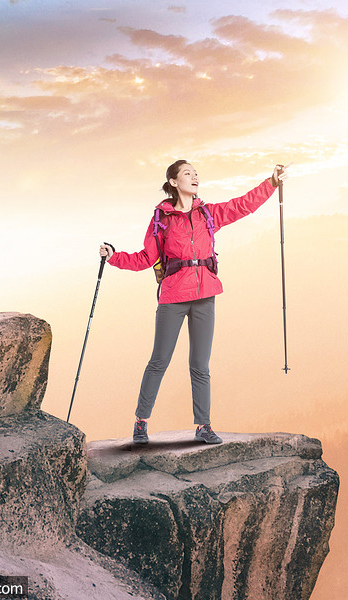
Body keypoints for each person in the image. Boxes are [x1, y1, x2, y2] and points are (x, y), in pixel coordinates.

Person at [100, 160, 288, 445]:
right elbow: (145, 259)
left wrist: (271, 183)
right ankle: (141, 422)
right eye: (187, 173)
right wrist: (113, 256)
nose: (194, 176)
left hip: (205, 296)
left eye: (196, 173)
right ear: (174, 182)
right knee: (159, 361)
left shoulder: (208, 214)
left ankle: (203, 425)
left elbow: (243, 205)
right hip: (173, 297)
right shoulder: (161, 218)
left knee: (200, 364)